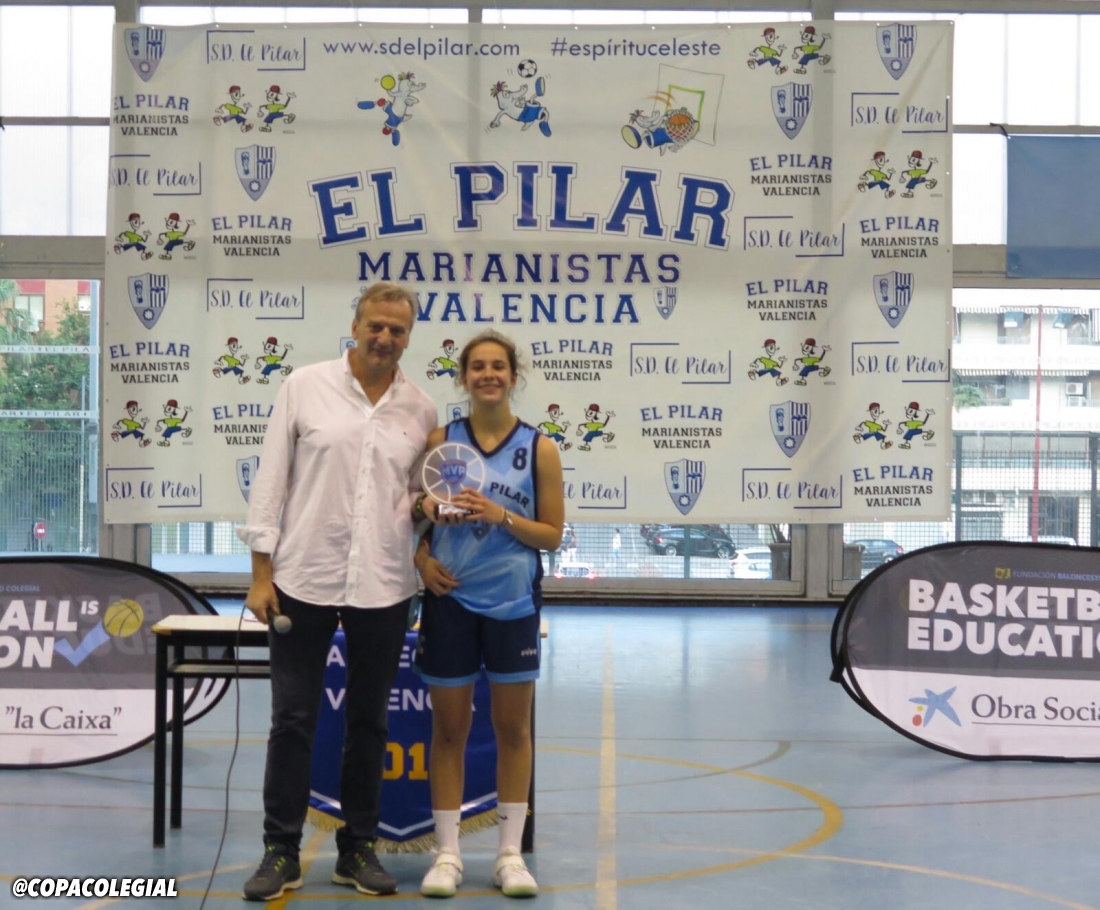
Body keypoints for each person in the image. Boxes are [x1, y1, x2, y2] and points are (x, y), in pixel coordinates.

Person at [237, 282, 437, 901]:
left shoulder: (422, 410)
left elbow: (417, 498)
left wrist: (431, 512)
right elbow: (271, 481)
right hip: (302, 578)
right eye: (376, 325)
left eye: (397, 330)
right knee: (292, 719)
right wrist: (261, 574)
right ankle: (281, 850)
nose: (384, 338)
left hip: (384, 582)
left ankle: (357, 849)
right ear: (355, 326)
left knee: (370, 722)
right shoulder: (303, 386)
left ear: (409, 337)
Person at [412, 331, 564, 899]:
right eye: (477, 366)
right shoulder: (442, 441)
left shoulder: (539, 448)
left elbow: (552, 535)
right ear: (464, 377)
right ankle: (447, 854)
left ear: (513, 375)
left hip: (512, 603)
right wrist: (421, 560)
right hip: (450, 600)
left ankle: (509, 855)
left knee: (512, 729)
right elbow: (415, 515)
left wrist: (501, 515)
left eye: (498, 366)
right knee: (449, 730)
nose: (488, 375)